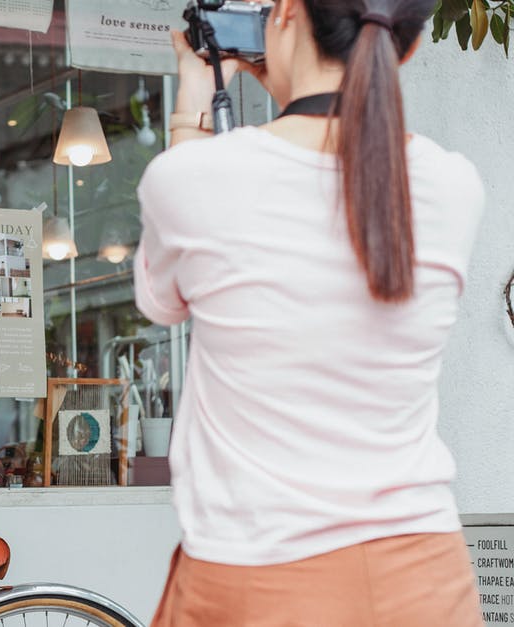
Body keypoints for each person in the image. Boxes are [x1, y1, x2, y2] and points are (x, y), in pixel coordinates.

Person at [135, 0, 486, 624]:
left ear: (287, 13)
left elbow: (163, 304)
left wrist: (194, 96)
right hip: (426, 577)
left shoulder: (197, 178)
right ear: (407, 48)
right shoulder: (453, 185)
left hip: (258, 576)